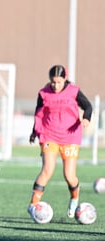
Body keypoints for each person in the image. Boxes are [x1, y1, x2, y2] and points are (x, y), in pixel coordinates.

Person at [28, 65, 92, 219]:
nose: (55, 85)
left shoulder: (74, 91)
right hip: (50, 135)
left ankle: (74, 198)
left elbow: (88, 106)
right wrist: (34, 131)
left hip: (70, 136)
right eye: (53, 82)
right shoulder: (43, 93)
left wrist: (86, 118)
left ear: (65, 79)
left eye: (58, 82)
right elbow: (38, 114)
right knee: (47, 170)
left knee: (69, 176)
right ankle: (32, 206)